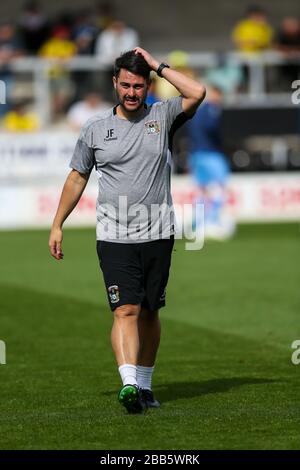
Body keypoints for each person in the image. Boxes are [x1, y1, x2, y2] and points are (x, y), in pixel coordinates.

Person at [48, 48, 205, 414]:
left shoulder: (163, 116)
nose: (132, 93)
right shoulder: (95, 128)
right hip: (114, 236)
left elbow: (196, 92)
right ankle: (130, 384)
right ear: (114, 84)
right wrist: (57, 224)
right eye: (126, 85)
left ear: (148, 85)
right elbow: (77, 178)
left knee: (150, 312)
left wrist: (157, 65)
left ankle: (146, 387)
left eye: (139, 85)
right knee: (125, 311)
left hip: (158, 233)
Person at [186, 82, 235, 240]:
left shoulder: (197, 111)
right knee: (220, 187)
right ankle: (212, 221)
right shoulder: (213, 110)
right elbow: (212, 128)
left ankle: (198, 224)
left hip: (197, 154)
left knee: (202, 190)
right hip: (211, 154)